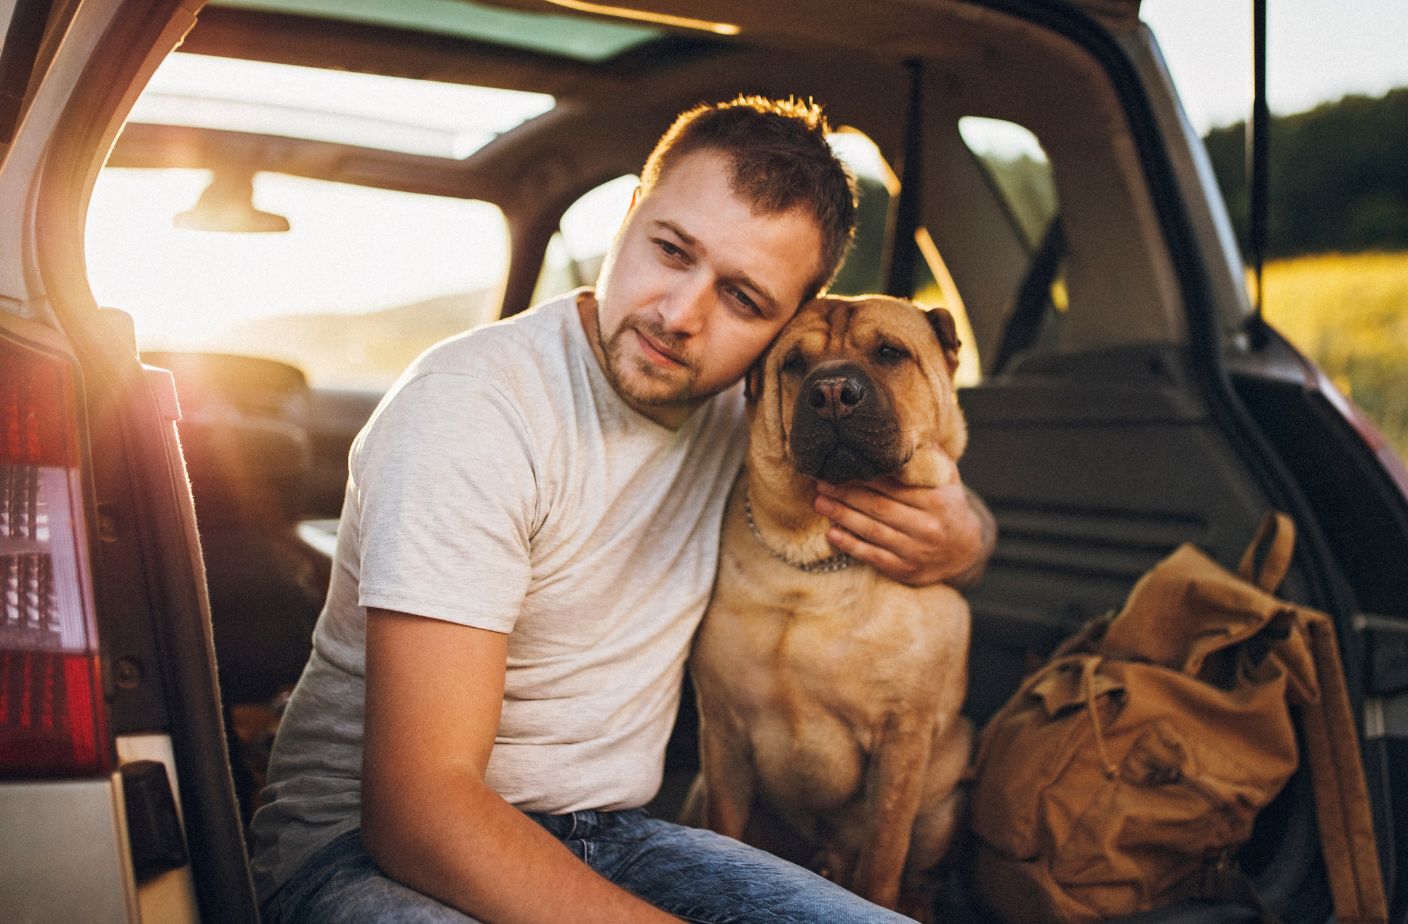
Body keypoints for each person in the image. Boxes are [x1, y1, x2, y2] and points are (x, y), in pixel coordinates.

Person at [249, 95, 995, 923]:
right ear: (629, 216)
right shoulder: (471, 410)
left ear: (786, 327)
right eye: (670, 250)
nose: (680, 315)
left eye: (744, 299)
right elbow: (419, 815)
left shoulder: (762, 423)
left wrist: (963, 540)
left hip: (615, 836)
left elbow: (924, 485)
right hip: (358, 853)